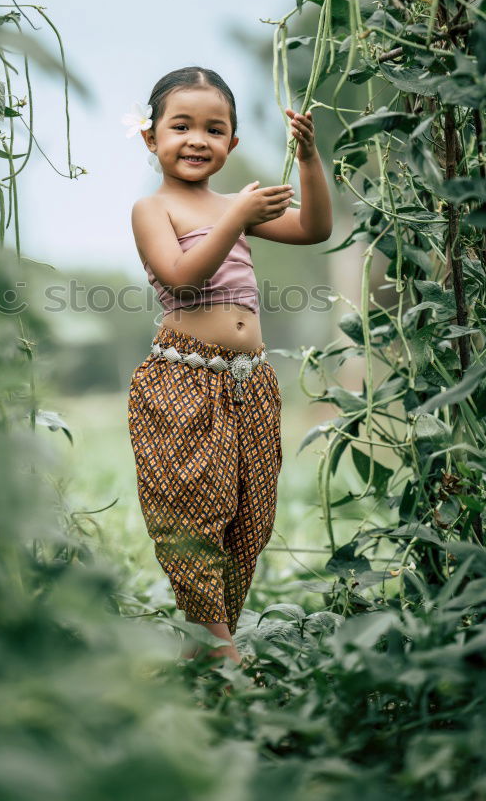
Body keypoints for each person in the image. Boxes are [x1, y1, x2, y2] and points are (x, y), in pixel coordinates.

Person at [126, 65, 332, 668]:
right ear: (151, 138)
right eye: (180, 126)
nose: (197, 139)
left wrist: (309, 158)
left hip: (249, 384)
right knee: (191, 513)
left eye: (214, 129)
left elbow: (315, 228)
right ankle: (222, 654)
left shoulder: (231, 205)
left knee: (249, 516)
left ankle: (208, 643)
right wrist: (237, 218)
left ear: (232, 145)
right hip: (182, 379)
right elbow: (182, 278)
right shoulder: (153, 208)